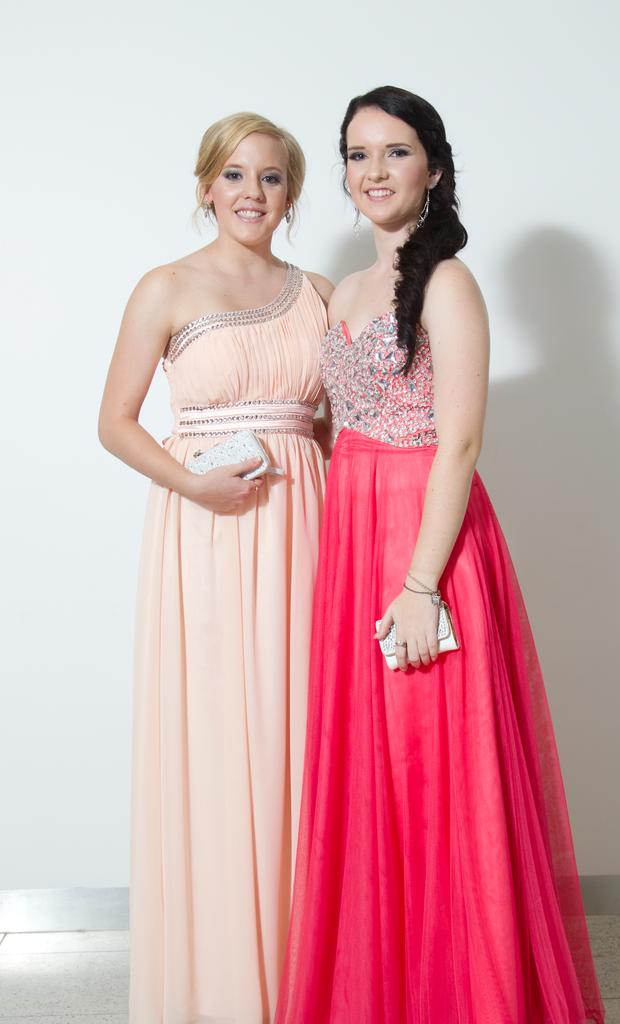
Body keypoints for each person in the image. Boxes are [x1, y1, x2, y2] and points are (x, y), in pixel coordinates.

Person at [277, 87, 605, 1024]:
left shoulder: (451, 283)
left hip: (429, 541)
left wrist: (421, 586)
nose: (371, 171)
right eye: (355, 154)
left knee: (438, 768)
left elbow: (459, 442)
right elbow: (335, 420)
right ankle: (381, 990)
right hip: (353, 532)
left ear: (434, 167)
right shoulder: (341, 290)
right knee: (373, 773)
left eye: (394, 151)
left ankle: (468, 994)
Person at [98, 112, 333, 1024]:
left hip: (305, 528)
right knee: (222, 738)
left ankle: (308, 974)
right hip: (208, 534)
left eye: (271, 179)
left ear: (292, 193)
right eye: (233, 176)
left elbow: (328, 427)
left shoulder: (316, 291)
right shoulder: (166, 287)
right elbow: (115, 421)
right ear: (205, 187)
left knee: (306, 740)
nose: (251, 194)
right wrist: (193, 485)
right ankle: (227, 985)